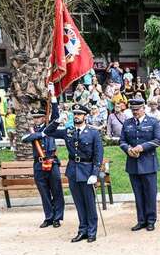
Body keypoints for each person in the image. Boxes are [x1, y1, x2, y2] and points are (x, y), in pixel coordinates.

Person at [44, 103, 104, 243]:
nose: (77, 116)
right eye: (75, 114)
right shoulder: (68, 131)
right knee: (79, 203)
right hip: (73, 171)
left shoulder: (93, 133)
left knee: (89, 203)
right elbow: (48, 132)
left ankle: (92, 231)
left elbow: (98, 155)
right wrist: (57, 121)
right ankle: (82, 230)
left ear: (85, 116)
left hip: (87, 171)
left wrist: (95, 173)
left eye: (79, 114)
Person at [20, 87, 64, 229]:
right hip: (39, 164)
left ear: (44, 118)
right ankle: (49, 217)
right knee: (44, 192)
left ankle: (57, 217)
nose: (36, 120)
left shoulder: (49, 127)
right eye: (34, 118)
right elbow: (25, 138)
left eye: (38, 117)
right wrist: (41, 134)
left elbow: (56, 116)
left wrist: (53, 98)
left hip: (51, 161)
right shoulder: (32, 130)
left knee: (56, 190)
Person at [120, 98, 160, 232]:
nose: (135, 112)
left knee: (150, 193)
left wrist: (142, 147)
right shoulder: (127, 123)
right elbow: (122, 141)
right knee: (138, 194)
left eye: (137, 109)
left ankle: (151, 220)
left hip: (148, 163)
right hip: (133, 163)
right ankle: (141, 220)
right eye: (133, 110)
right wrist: (128, 149)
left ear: (143, 108)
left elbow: (158, 140)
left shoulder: (153, 122)